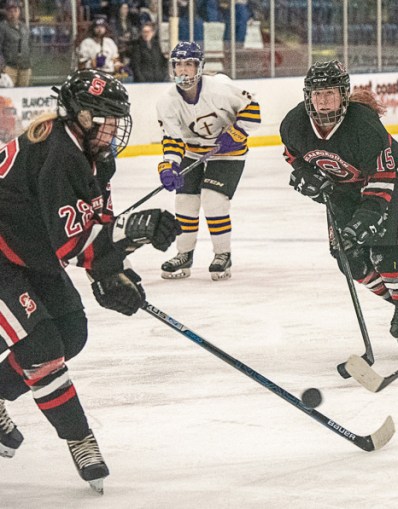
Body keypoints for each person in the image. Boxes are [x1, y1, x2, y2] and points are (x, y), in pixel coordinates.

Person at [0, 70, 179, 493]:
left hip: (29, 252)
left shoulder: (94, 154)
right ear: (81, 116)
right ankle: (80, 439)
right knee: (41, 349)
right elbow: (73, 245)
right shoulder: (59, 155)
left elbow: (96, 220)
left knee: (72, 334)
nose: (115, 128)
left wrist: (115, 274)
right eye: (107, 118)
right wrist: (135, 231)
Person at [279, 61, 398, 358]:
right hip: (344, 190)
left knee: (386, 255)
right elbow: (293, 155)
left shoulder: (363, 125)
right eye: (317, 94)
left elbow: (383, 175)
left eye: (330, 93)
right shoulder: (293, 124)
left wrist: (370, 215)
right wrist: (304, 174)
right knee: (351, 261)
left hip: (391, 182)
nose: (323, 100)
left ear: (344, 94)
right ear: (307, 95)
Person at [157, 41, 260, 280]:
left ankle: (223, 255)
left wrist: (235, 135)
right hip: (193, 151)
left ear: (200, 67)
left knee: (213, 200)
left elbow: (253, 110)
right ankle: (184, 254)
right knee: (184, 201)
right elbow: (172, 140)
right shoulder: (166, 101)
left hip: (228, 152)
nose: (183, 70)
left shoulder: (220, 88)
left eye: (189, 64)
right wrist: (169, 166)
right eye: (178, 64)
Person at [0, 1, 31, 87]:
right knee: (8, 93)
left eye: (15, 10)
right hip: (9, 67)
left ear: (19, 12)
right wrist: (2, 65)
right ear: (6, 12)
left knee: (25, 92)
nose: (13, 13)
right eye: (10, 11)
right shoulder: (2, 27)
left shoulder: (24, 27)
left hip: (25, 66)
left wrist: (29, 61)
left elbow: (29, 44)